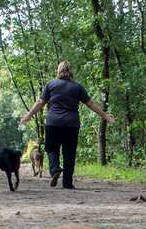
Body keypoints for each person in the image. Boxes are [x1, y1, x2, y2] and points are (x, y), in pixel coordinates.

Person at [20, 61, 114, 189]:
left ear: (58, 71)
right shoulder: (77, 87)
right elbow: (90, 103)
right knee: (69, 153)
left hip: (53, 123)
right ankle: (67, 182)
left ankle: (54, 170)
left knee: (52, 149)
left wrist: (29, 115)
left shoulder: (50, 85)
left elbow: (40, 102)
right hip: (71, 124)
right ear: (71, 71)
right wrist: (105, 116)